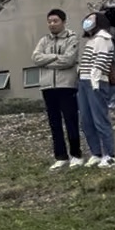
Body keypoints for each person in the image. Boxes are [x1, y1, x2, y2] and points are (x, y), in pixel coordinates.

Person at [32, 9, 85, 170]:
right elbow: (35, 57)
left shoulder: (71, 38)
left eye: (55, 21)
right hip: (48, 86)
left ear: (63, 21)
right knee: (54, 123)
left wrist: (46, 60)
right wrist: (55, 58)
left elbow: (69, 60)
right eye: (49, 21)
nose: (52, 24)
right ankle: (60, 156)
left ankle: (76, 154)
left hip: (66, 85)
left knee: (70, 120)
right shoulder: (44, 40)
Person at [78, 12, 115, 169]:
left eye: (91, 19)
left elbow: (101, 61)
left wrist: (94, 82)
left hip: (96, 83)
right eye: (86, 18)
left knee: (100, 120)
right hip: (84, 81)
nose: (87, 21)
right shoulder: (91, 40)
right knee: (86, 121)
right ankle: (96, 153)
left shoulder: (103, 38)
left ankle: (110, 155)